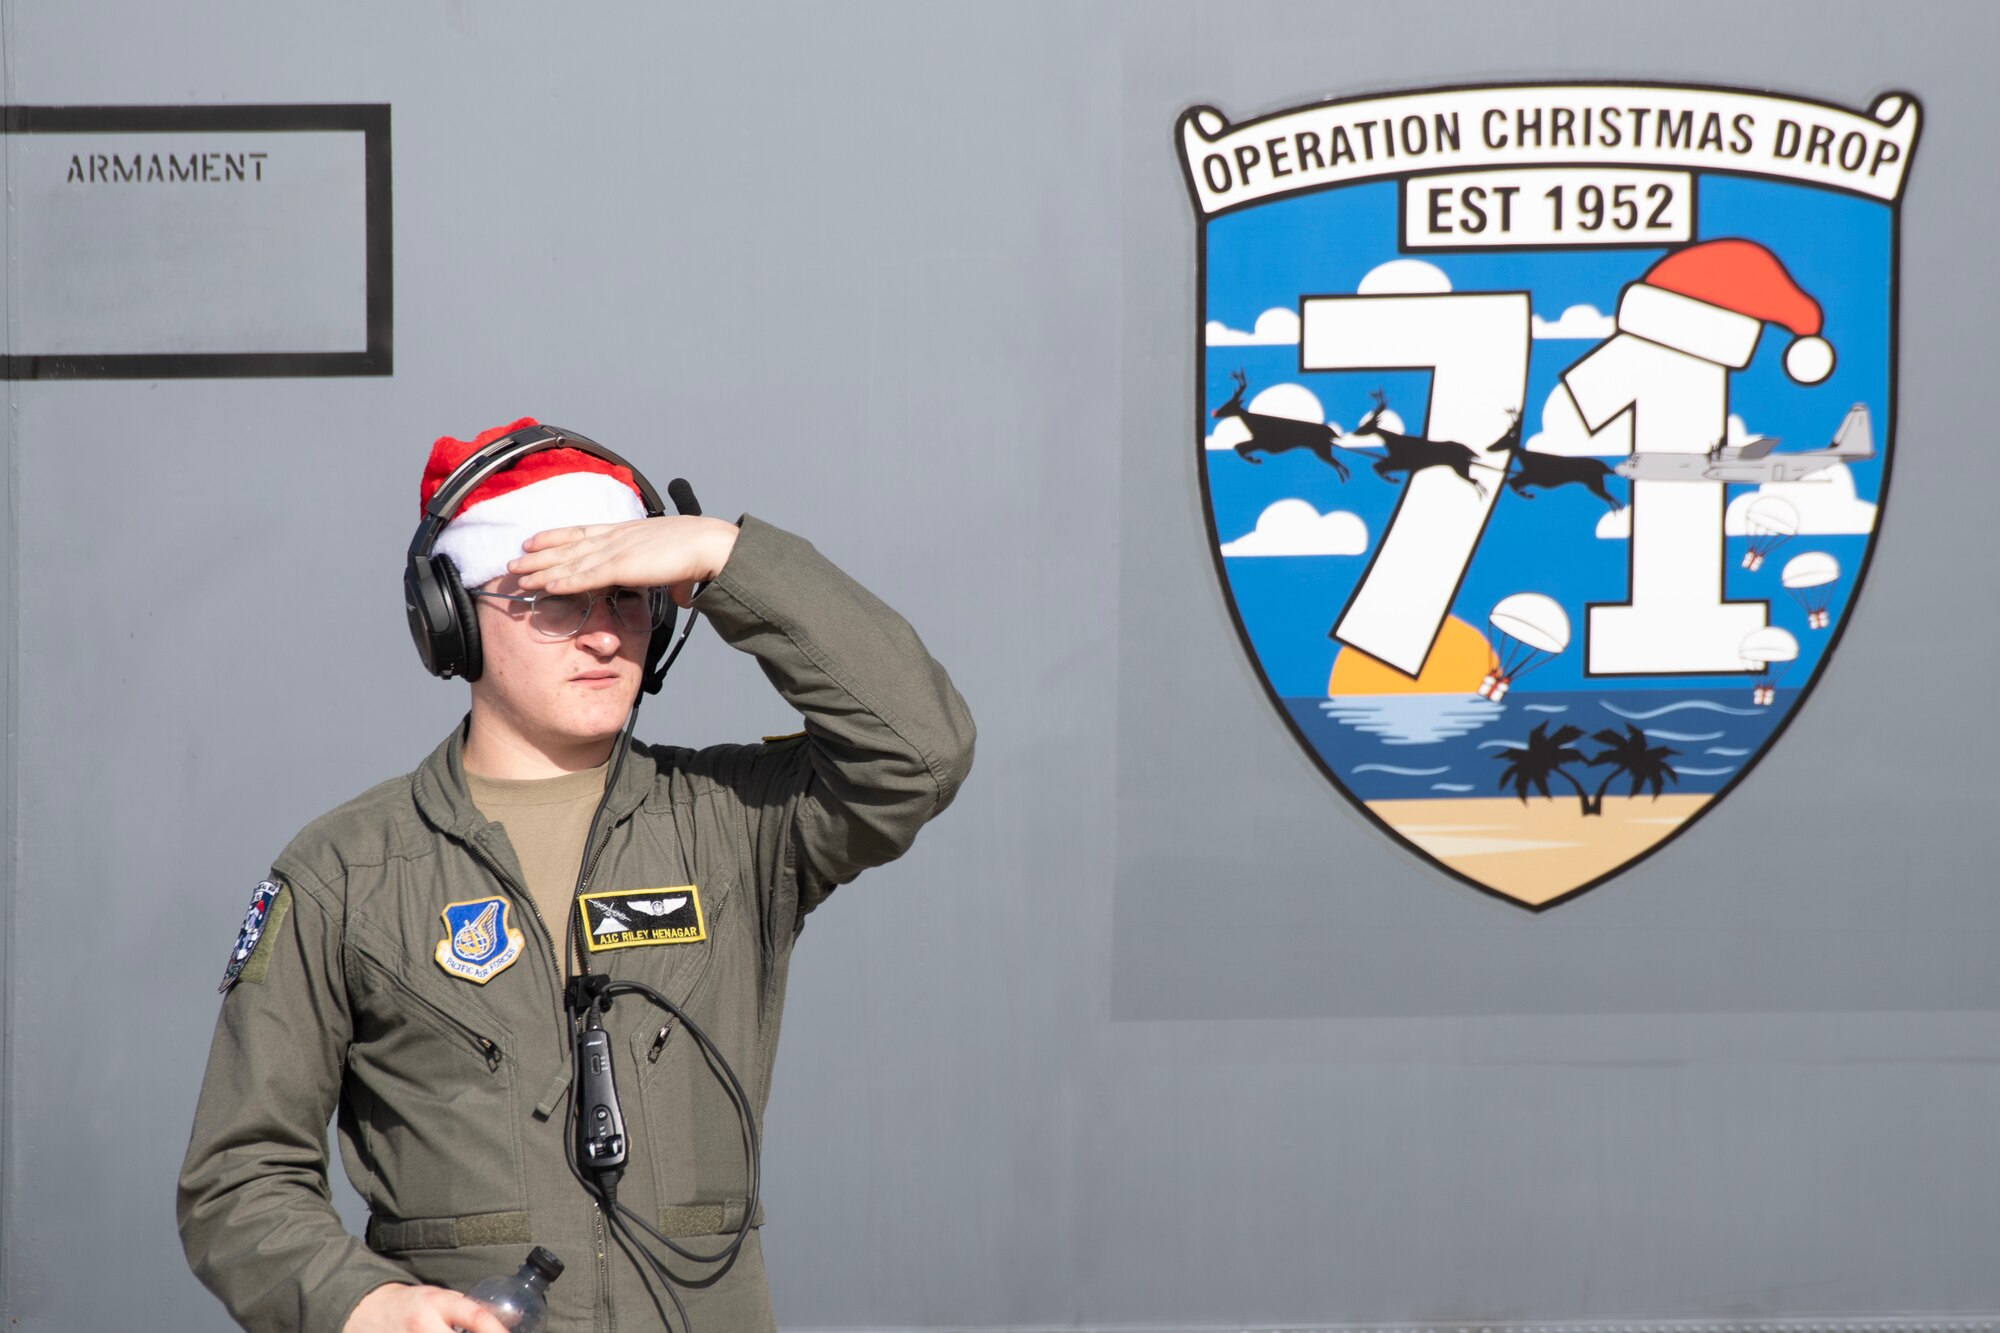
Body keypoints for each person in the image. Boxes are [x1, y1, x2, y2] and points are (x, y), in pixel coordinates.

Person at [177, 419, 976, 1333]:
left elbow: (921, 750)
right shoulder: (343, 872)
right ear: (450, 617)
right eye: (560, 602)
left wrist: (727, 557)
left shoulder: (733, 824)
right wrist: (367, 1304)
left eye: (629, 598)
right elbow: (238, 1177)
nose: (603, 635)